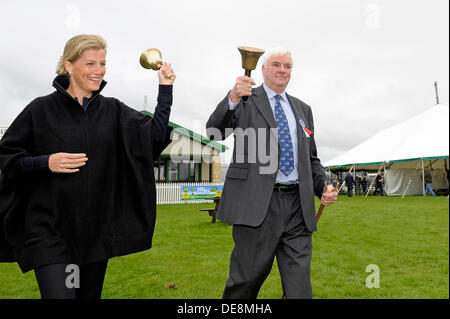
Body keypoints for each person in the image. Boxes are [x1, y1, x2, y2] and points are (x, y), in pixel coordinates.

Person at [0, 34, 176, 299]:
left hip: (93, 232)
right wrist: (46, 162)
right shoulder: (40, 110)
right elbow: (8, 156)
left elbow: (154, 138)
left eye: (102, 63)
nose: (99, 71)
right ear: (69, 66)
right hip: (49, 231)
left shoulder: (114, 112)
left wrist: (165, 91)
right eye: (90, 63)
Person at [206, 47, 338, 299]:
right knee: (244, 283)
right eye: (276, 64)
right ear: (263, 69)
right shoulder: (245, 99)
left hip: (298, 208)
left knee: (300, 291)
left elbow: (310, 159)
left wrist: (323, 186)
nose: (282, 70)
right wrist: (233, 97)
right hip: (257, 206)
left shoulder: (303, 109)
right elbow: (215, 131)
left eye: (287, 66)